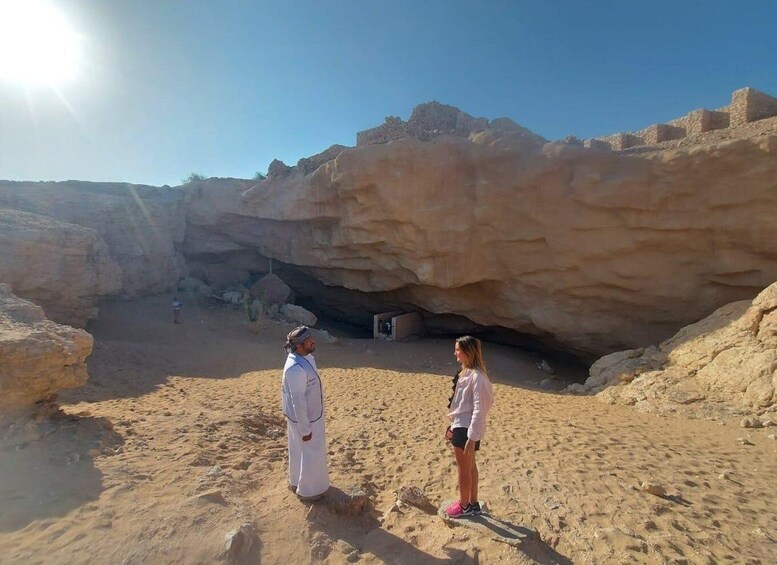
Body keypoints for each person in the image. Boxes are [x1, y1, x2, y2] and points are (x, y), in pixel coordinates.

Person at [444, 335, 494, 518]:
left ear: (467, 352)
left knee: (464, 469)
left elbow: (480, 409)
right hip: (461, 427)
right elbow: (461, 405)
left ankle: (464, 506)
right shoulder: (466, 373)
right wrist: (452, 426)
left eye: (458, 350)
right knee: (471, 467)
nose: (455, 353)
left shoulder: (477, 377)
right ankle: (473, 504)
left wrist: (472, 438)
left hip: (467, 430)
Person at [281, 326, 330, 501]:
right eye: (309, 341)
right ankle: (309, 491)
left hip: (310, 415)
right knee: (311, 452)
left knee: (299, 450)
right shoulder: (295, 368)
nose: (313, 341)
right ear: (299, 346)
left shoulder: (306, 357)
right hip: (305, 419)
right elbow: (298, 402)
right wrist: (305, 429)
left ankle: (296, 481)